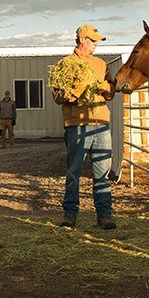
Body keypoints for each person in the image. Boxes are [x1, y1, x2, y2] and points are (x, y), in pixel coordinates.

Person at [51, 24, 117, 229]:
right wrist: (77, 89)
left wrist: (102, 86)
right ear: (82, 40)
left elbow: (111, 90)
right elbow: (57, 96)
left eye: (97, 40)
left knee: (102, 174)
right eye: (93, 40)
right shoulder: (64, 65)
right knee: (73, 173)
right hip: (77, 125)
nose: (96, 44)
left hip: (101, 123)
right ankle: (70, 214)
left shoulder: (101, 64)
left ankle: (104, 215)